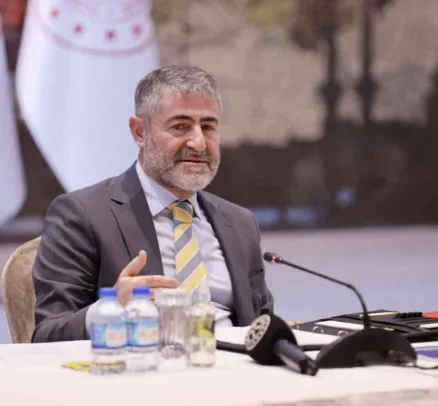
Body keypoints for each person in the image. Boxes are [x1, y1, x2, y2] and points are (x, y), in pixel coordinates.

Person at [31, 65, 275, 342]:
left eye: (208, 127)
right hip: (142, 364)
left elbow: (261, 323)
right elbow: (47, 335)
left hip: (235, 365)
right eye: (180, 126)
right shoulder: (82, 215)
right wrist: (110, 310)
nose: (198, 143)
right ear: (139, 132)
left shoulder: (240, 223)